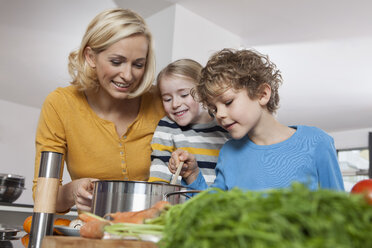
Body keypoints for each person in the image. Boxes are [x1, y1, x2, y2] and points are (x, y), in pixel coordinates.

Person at [33, 8, 165, 212]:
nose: (128, 75)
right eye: (116, 62)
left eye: (138, 64)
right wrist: (73, 190)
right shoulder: (60, 104)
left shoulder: (160, 101)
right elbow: (43, 195)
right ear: (91, 57)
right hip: (92, 232)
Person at [168, 48, 344, 191]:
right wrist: (191, 175)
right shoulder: (229, 152)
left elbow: (338, 211)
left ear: (262, 94)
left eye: (228, 102)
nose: (219, 114)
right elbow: (211, 212)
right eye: (214, 109)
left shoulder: (316, 142)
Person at [148, 59, 230, 185]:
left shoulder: (225, 125)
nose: (175, 104)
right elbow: (159, 174)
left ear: (204, 91)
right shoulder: (167, 127)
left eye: (184, 95)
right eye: (167, 99)